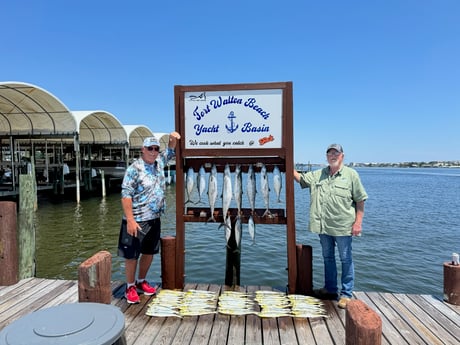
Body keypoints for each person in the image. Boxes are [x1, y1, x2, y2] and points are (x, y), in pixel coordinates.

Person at [293, 144, 368, 309]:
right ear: (326, 157)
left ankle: (346, 294)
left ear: (342, 156)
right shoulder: (318, 174)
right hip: (323, 226)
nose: (332, 156)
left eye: (336, 153)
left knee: (346, 259)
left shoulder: (351, 175)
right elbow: (301, 179)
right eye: (329, 153)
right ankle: (330, 289)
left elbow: (360, 200)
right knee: (328, 258)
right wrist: (286, 163)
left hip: (343, 227)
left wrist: (358, 223)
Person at [118, 132, 181, 304]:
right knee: (131, 255)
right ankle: (130, 286)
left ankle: (141, 281)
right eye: (150, 148)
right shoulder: (134, 169)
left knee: (149, 252)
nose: (153, 152)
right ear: (142, 150)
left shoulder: (159, 163)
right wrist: (130, 220)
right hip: (136, 220)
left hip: (154, 218)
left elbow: (170, 149)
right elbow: (125, 195)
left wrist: (173, 138)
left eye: (155, 149)